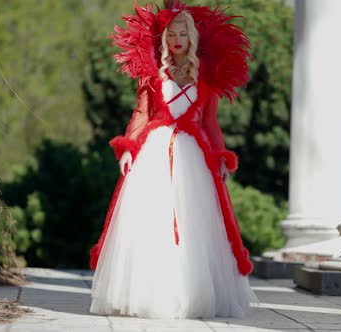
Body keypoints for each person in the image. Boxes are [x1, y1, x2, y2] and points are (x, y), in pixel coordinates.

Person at [89, 0, 257, 319]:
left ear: (191, 36)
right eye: (171, 34)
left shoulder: (206, 76)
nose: (177, 39)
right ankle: (152, 294)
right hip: (154, 149)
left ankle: (190, 294)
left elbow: (210, 123)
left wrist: (221, 157)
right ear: (164, 39)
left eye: (182, 33)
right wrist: (128, 147)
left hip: (193, 155)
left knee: (195, 222)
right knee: (152, 220)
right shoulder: (153, 74)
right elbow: (141, 113)